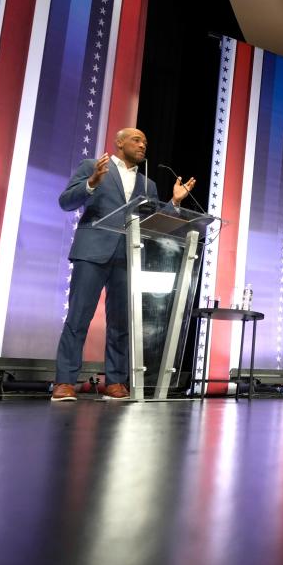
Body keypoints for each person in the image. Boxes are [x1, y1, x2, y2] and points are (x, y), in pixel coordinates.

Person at [52, 128, 196, 401]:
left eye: (146, 142)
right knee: (78, 319)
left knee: (121, 324)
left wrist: (174, 202)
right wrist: (91, 183)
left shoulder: (148, 185)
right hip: (92, 252)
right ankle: (64, 382)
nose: (143, 145)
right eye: (137, 140)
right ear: (119, 143)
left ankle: (116, 382)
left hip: (127, 257)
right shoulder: (93, 167)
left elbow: (153, 225)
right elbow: (65, 202)